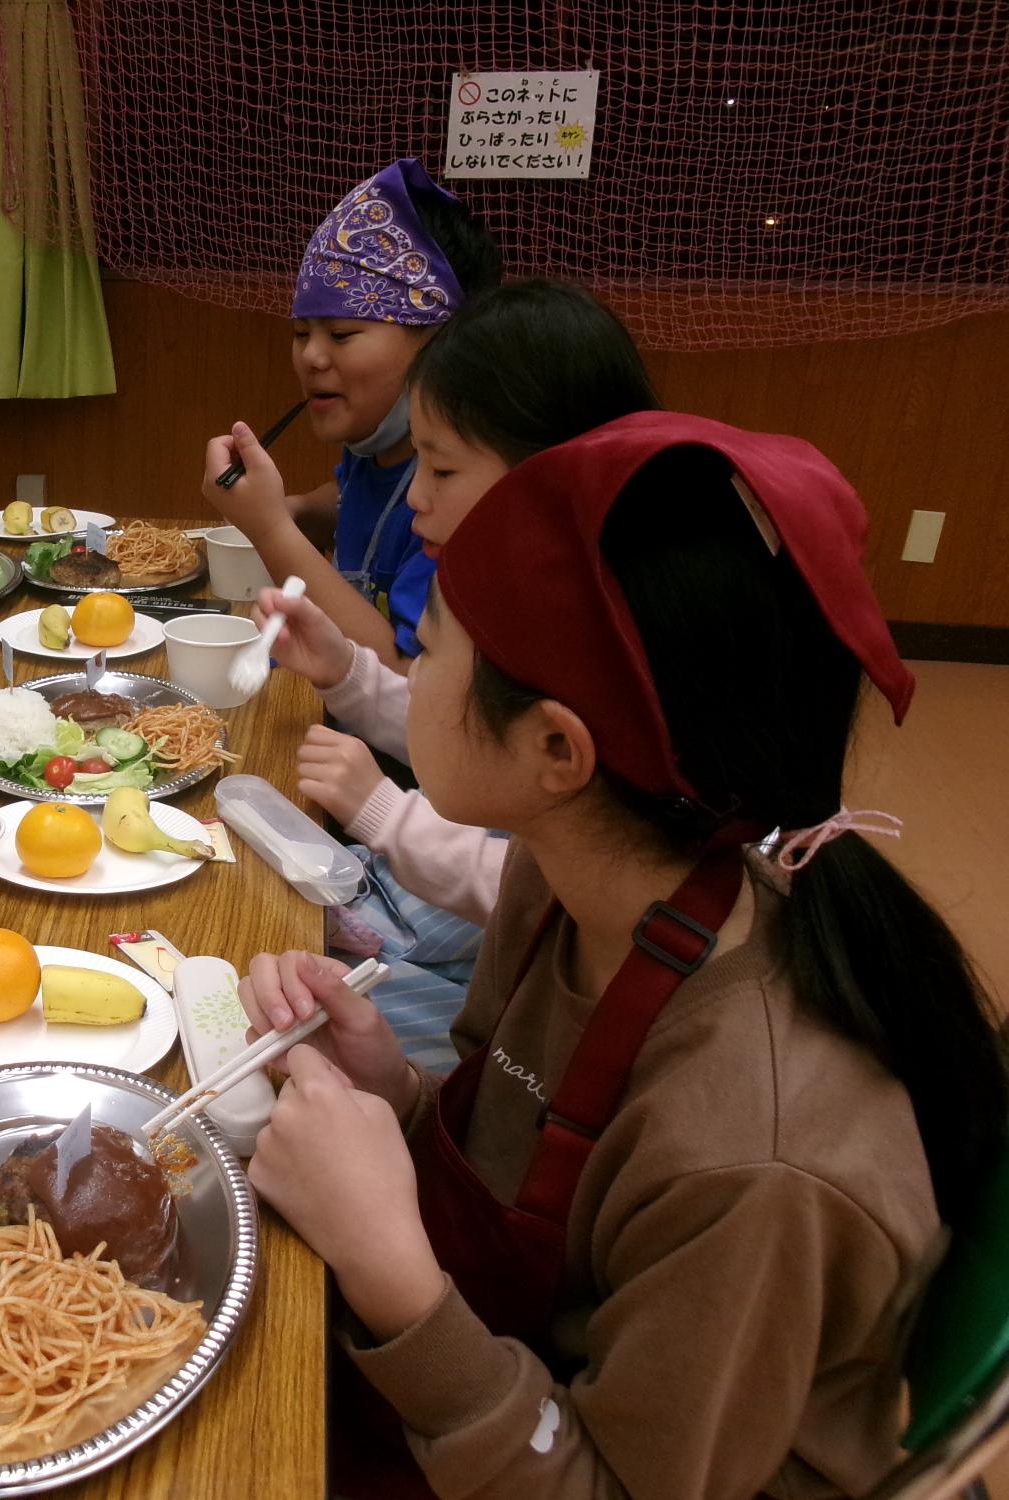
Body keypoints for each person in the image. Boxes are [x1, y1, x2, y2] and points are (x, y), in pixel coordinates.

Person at [238, 411, 1006, 1495]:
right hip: (522, 1376)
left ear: (556, 747)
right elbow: (521, 1170)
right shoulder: (565, 877)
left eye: (437, 645)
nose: (407, 669)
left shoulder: (755, 1162)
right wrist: (399, 1093)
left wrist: (397, 1282)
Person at [245, 278, 661, 925]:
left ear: (550, 471)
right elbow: (467, 728)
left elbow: (565, 895)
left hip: (509, 942)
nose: (415, 498)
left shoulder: (604, 647)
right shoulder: (510, 592)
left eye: (440, 469)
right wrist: (345, 670)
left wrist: (382, 810)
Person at [207, 158, 500, 672]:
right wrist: (295, 510)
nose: (312, 358)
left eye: (341, 335)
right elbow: (352, 497)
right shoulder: (377, 445)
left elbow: (405, 673)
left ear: (440, 343)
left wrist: (273, 528)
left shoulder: (458, 495)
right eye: (302, 334)